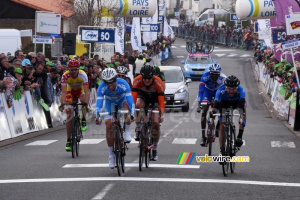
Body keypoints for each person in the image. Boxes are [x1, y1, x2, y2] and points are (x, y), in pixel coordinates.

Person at [95, 68, 135, 169]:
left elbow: (131, 101)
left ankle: (127, 131)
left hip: (122, 101)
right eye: (107, 82)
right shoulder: (102, 87)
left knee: (126, 107)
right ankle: (111, 155)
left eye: (112, 82)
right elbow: (99, 104)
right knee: (108, 125)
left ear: (115, 79)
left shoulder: (123, 84)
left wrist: (132, 113)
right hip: (110, 104)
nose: (110, 85)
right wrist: (97, 115)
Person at [132, 65, 165, 161]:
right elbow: (133, 100)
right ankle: (138, 128)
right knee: (138, 105)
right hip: (143, 97)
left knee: (156, 123)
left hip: (155, 99)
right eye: (145, 78)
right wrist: (132, 111)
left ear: (153, 77)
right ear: (141, 76)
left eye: (149, 78)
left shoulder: (158, 82)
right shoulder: (137, 80)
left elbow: (162, 102)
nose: (146, 80)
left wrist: (161, 115)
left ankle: (154, 148)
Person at [212, 75, 246, 156]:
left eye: (233, 89)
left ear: (237, 88)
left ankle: (239, 136)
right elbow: (216, 105)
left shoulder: (241, 90)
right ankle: (222, 151)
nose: (231, 91)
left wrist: (242, 118)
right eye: (229, 88)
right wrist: (212, 117)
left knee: (244, 109)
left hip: (236, 103)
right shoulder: (220, 90)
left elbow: (241, 105)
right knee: (222, 125)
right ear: (225, 87)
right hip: (224, 104)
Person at [60, 60, 90, 151]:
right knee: (69, 114)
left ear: (78, 69)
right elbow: (64, 91)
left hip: (80, 90)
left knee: (83, 100)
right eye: (71, 70)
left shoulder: (83, 75)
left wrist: (86, 103)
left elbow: (86, 91)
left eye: (75, 70)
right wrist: (62, 103)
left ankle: (83, 118)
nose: (73, 72)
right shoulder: (65, 76)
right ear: (69, 69)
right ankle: (68, 140)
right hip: (70, 91)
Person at [198, 63, 226, 146]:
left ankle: (217, 126)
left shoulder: (223, 78)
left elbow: (225, 91)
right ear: (209, 73)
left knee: (220, 109)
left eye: (216, 74)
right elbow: (201, 91)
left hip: (218, 92)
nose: (214, 76)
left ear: (219, 74)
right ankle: (203, 137)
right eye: (212, 74)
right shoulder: (205, 77)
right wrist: (199, 102)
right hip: (207, 92)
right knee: (204, 111)